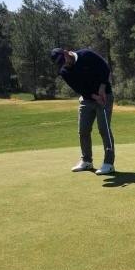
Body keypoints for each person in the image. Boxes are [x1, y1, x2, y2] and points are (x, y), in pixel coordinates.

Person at [51, 47, 115, 175]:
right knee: (83, 130)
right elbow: (79, 88)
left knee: (104, 129)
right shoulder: (64, 71)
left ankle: (109, 163)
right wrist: (94, 96)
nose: (66, 64)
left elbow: (105, 69)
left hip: (104, 96)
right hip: (87, 99)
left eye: (65, 60)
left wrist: (102, 90)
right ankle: (86, 161)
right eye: (62, 63)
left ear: (66, 52)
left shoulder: (86, 55)